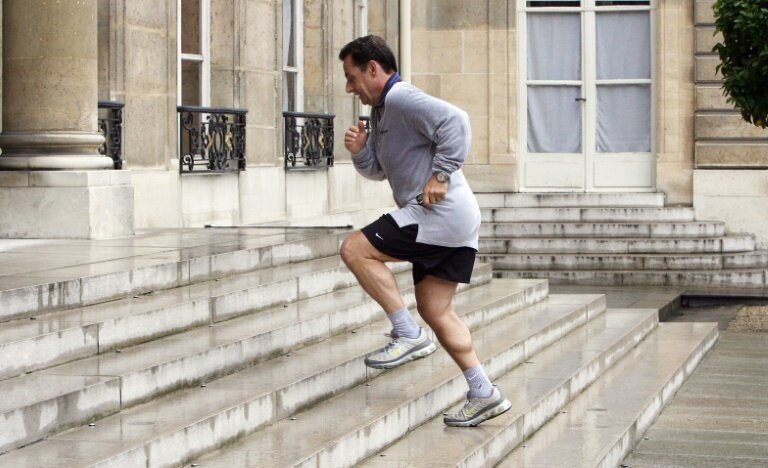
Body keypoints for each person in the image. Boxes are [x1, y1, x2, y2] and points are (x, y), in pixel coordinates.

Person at [338, 35, 511, 427]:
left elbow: (457, 121)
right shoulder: (382, 113)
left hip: (439, 212)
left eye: (352, 77)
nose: (349, 88)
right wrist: (360, 150)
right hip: (454, 220)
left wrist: (440, 173)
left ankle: (407, 333)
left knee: (354, 249)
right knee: (436, 310)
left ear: (373, 68)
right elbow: (379, 171)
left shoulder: (401, 98)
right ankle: (483, 391)